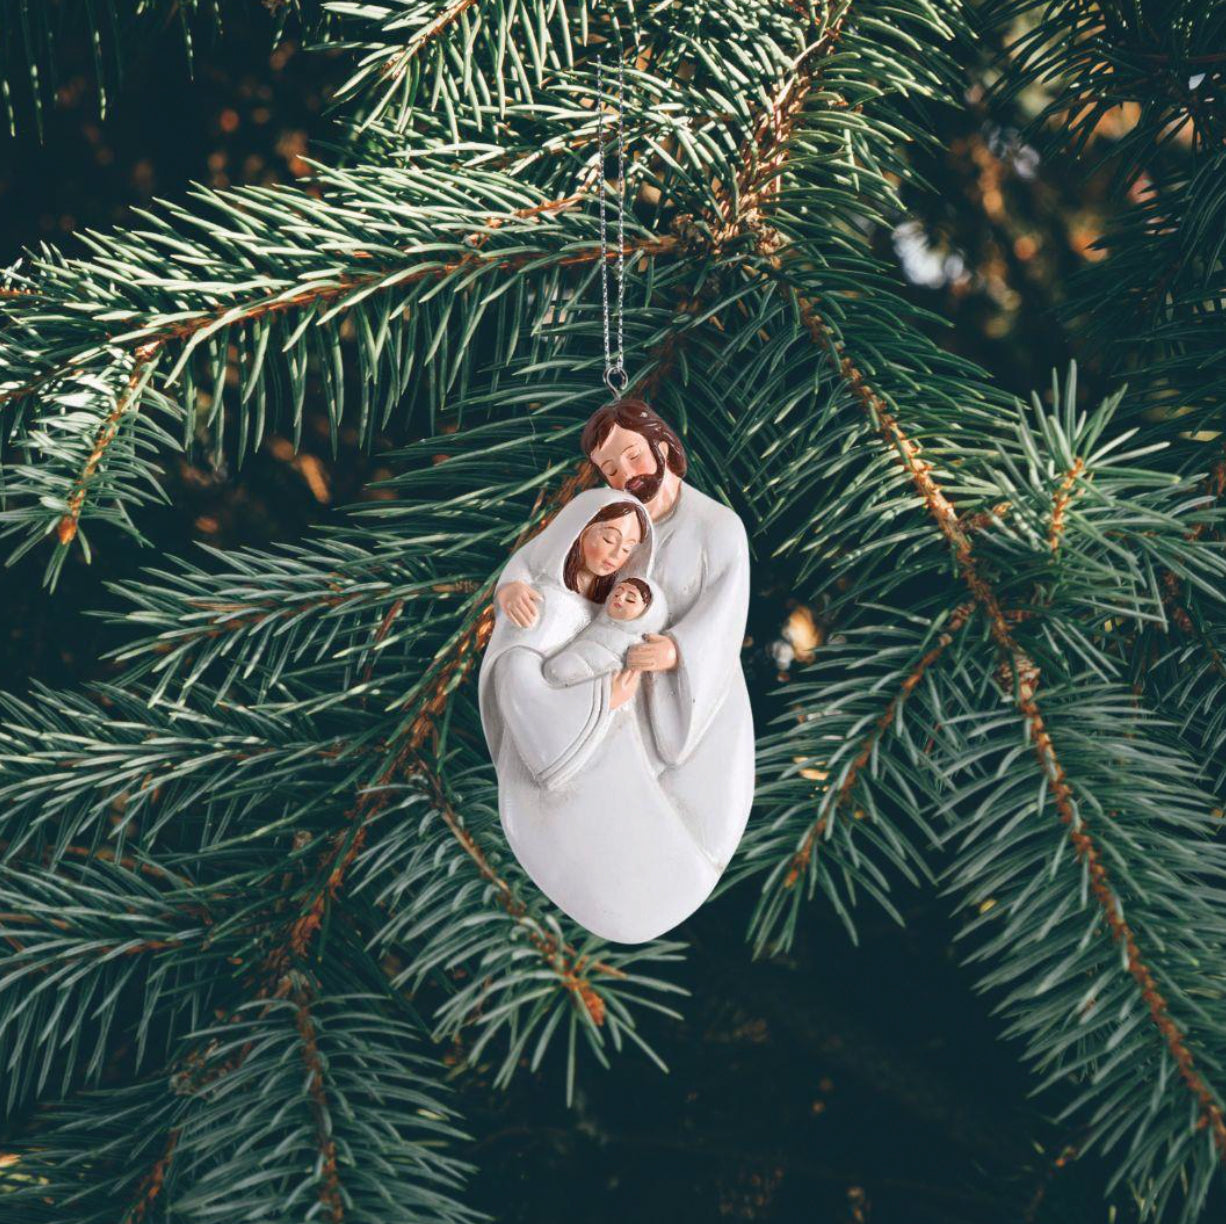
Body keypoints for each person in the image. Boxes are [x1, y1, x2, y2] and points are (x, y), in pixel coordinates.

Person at [495, 397, 755, 874]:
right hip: (600, 677)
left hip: (691, 696)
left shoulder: (718, 528)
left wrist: (678, 649)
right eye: (609, 468)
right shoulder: (613, 517)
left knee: (682, 815)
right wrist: (513, 586)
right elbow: (546, 554)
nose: (626, 474)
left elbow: (726, 612)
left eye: (632, 454)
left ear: (661, 443)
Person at [478, 486, 721, 943]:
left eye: (629, 547)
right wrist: (599, 700)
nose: (616, 555)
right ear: (578, 532)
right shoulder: (543, 600)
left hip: (610, 738)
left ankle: (657, 880)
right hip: (554, 746)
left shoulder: (611, 606)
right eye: (608, 538)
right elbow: (515, 681)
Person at [542, 578, 669, 688]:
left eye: (630, 600)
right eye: (616, 594)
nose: (619, 599)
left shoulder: (635, 643)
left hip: (589, 683)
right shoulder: (596, 624)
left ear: (647, 613)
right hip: (559, 669)